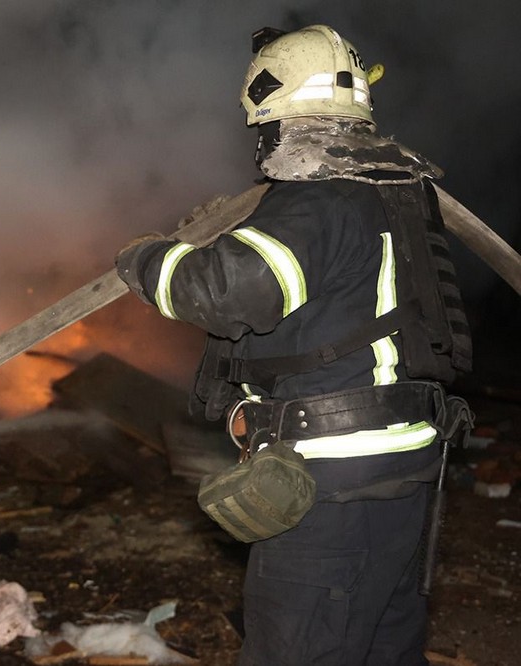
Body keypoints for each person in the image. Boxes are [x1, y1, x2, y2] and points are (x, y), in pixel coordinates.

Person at [116, 25, 473, 665]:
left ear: (273, 112)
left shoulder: (317, 200)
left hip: (332, 486)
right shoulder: (393, 191)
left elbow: (226, 291)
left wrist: (145, 259)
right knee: (381, 650)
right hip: (405, 469)